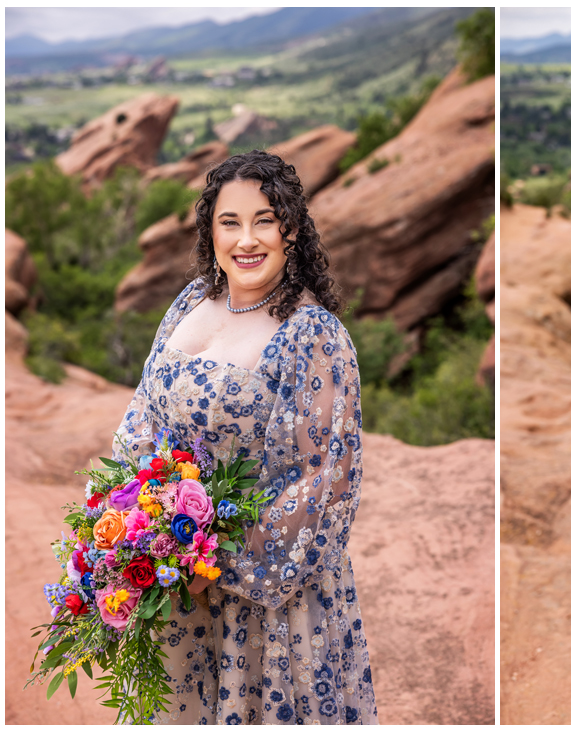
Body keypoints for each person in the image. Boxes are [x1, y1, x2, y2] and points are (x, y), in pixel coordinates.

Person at [114, 150, 378, 724]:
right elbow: (142, 414)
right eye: (229, 222)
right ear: (210, 231)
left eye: (264, 219)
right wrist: (141, 527)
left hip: (261, 605)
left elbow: (322, 484)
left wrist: (209, 562)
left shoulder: (314, 336)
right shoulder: (190, 302)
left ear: (292, 230)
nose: (246, 240)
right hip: (171, 582)